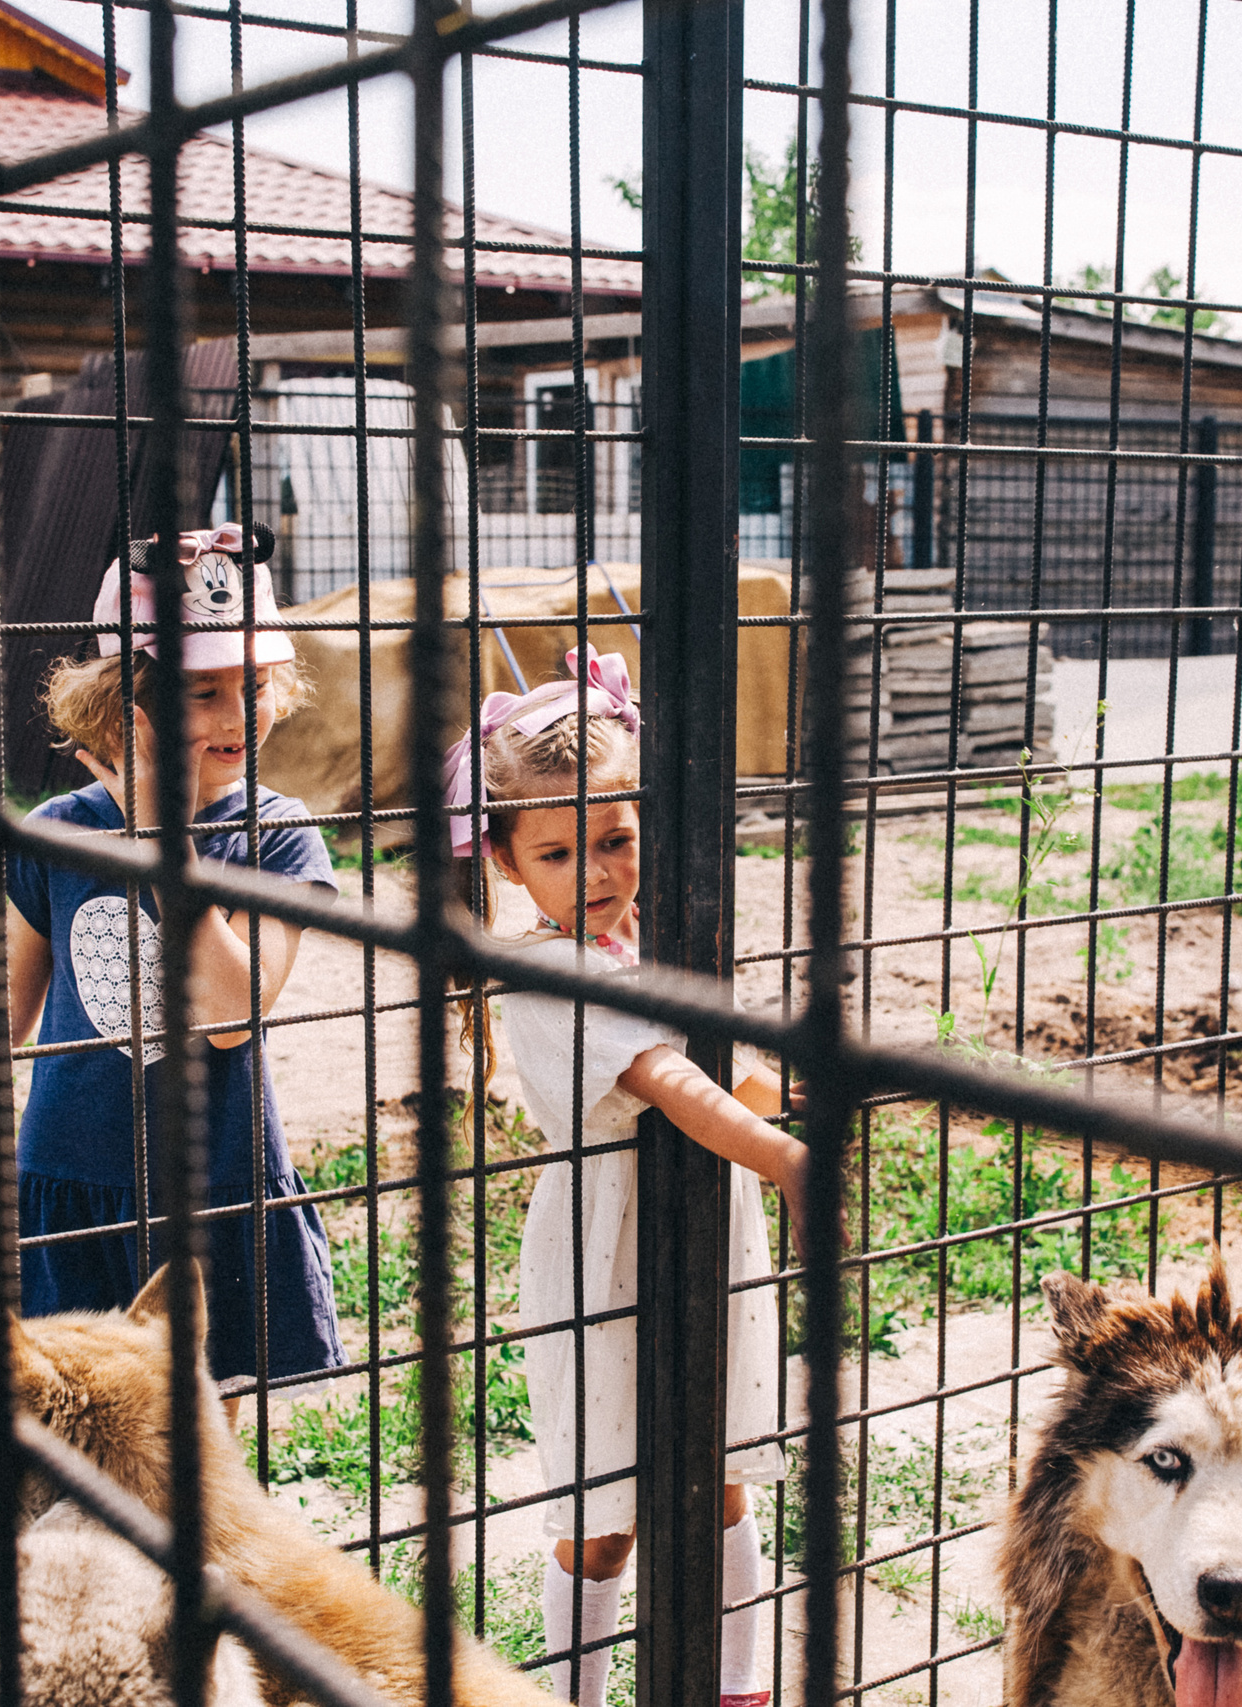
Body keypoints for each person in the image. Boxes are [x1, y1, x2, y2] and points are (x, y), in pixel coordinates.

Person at [0, 524, 343, 1414]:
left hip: (212, 1186)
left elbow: (232, 1013)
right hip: (69, 1188)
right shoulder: (58, 830)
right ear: (122, 701)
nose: (236, 716)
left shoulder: (278, 836)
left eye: (252, 684)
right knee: (71, 1426)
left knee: (195, 1437)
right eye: (201, 691)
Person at [444, 648, 804, 1707]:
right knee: (605, 1516)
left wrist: (797, 1095)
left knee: (722, 1477)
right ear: (508, 862)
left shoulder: (669, 937)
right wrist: (783, 1157)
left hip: (710, 1236)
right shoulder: (539, 973)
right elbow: (669, 1077)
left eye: (614, 839)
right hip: (603, 1259)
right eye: (559, 852)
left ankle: (737, 1688)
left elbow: (732, 1071)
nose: (596, 873)